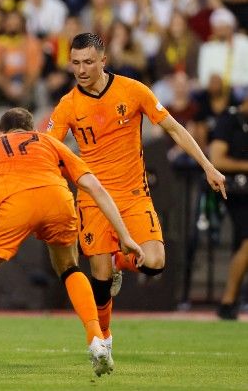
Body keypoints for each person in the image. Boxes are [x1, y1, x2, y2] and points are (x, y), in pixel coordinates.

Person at [46, 33, 226, 354]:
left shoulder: (134, 90)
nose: (82, 69)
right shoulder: (68, 106)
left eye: (88, 61)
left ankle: (119, 259)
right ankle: (103, 339)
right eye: (76, 63)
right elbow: (49, 150)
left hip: (132, 195)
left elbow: (173, 127)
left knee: (155, 262)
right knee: (100, 281)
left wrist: (207, 166)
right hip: (92, 198)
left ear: (104, 60)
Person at [0, 107, 144, 378]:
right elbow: (95, 187)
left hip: (13, 204)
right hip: (57, 199)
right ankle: (97, 339)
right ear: (32, 130)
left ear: (2, 132)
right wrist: (125, 236)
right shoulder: (49, 142)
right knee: (70, 268)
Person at [210, 102, 248, 320]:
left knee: (243, 243)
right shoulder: (229, 120)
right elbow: (217, 158)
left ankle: (230, 301)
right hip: (235, 192)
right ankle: (228, 299)